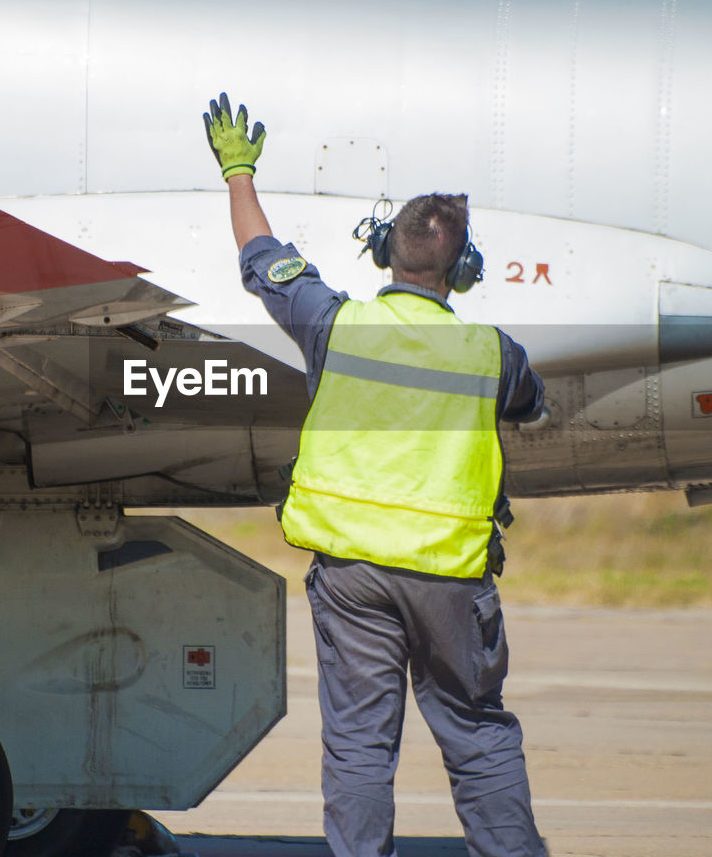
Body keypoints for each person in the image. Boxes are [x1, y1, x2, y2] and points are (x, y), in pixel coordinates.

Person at [203, 92, 548, 857]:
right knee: (477, 735)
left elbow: (264, 262)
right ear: (463, 271)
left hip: (353, 575)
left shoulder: (336, 325)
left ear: (382, 253)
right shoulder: (494, 353)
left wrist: (238, 173)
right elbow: (530, 402)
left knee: (359, 745)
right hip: (450, 581)